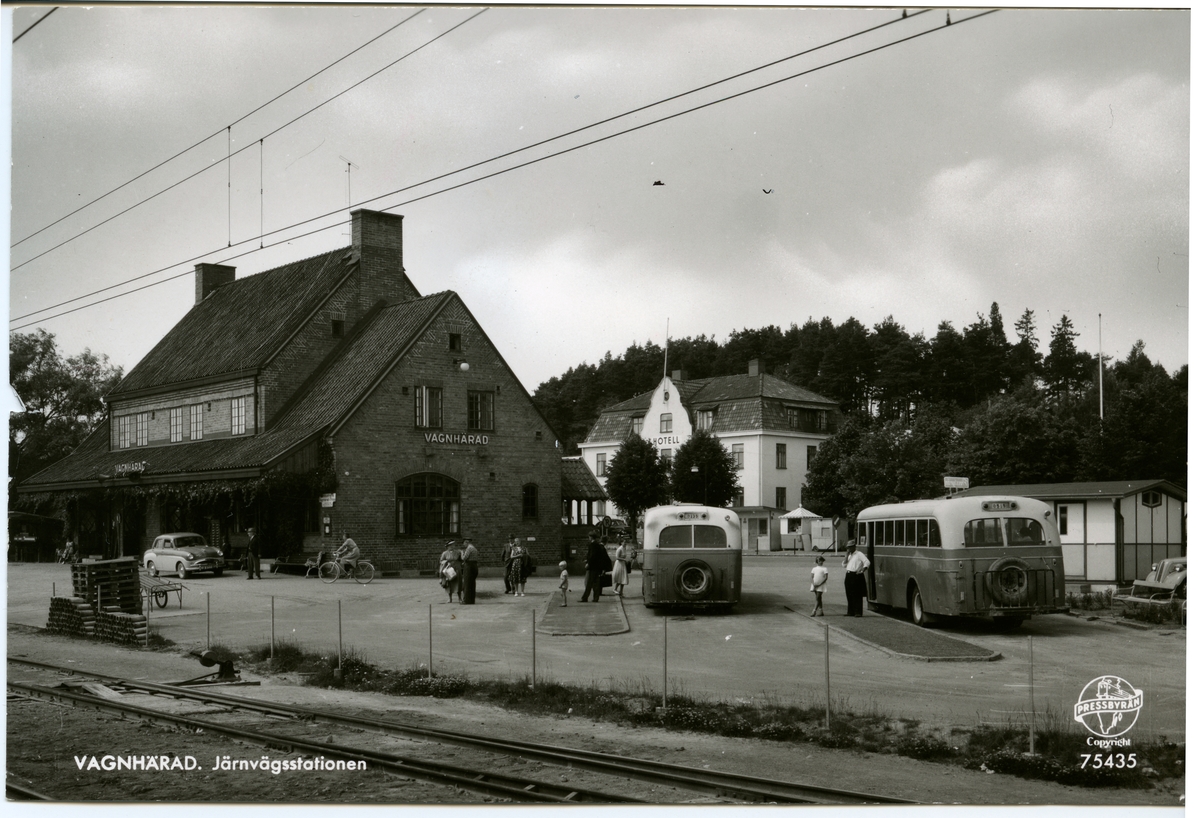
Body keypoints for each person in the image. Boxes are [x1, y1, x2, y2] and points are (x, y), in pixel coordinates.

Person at [842, 539, 870, 616]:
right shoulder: (849, 555)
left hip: (856, 574)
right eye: (848, 547)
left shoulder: (859, 554)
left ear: (854, 547)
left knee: (857, 594)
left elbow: (867, 562)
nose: (849, 549)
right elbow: (844, 565)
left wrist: (863, 569)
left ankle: (858, 612)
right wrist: (846, 556)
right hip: (848, 574)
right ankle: (850, 611)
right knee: (849, 593)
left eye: (850, 547)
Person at [581, 532, 611, 602]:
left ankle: (585, 598)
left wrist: (588, 563)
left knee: (589, 583)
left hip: (593, 567)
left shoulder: (593, 545)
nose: (589, 538)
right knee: (596, 583)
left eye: (589, 537)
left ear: (591, 537)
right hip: (597, 567)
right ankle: (595, 598)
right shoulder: (598, 545)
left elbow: (592, 556)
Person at [461, 538, 479, 604]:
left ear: (466, 542)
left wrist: (462, 553)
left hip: (469, 566)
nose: (464, 545)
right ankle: (471, 600)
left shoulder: (469, 548)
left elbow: (464, 558)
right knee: (472, 583)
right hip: (475, 566)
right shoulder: (474, 548)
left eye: (464, 543)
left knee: (467, 584)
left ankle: (466, 600)